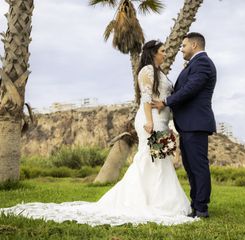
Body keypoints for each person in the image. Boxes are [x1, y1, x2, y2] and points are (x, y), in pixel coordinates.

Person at [0, 40, 196, 227]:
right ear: (153, 52)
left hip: (161, 120)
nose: (165, 54)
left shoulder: (160, 72)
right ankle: (143, 200)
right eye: (162, 51)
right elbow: (146, 96)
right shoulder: (146, 70)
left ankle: (159, 199)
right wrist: (150, 122)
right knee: (149, 159)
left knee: (159, 159)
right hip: (149, 120)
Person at [152, 32, 217, 218]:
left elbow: (190, 89)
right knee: (190, 166)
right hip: (188, 124)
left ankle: (202, 208)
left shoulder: (203, 63)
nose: (182, 49)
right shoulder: (195, 64)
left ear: (194, 45)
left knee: (198, 166)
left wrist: (165, 102)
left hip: (195, 123)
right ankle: (196, 204)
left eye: (184, 46)